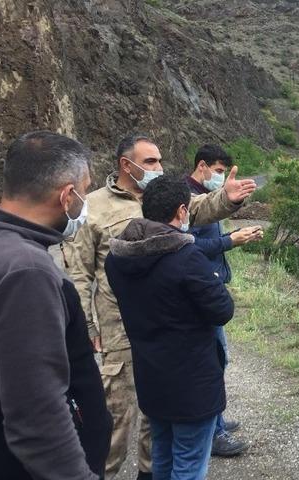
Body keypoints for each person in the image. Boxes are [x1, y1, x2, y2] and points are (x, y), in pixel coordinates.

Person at [63, 134, 256, 480]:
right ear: (126, 164)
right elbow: (78, 273)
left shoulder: (160, 198)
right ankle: (99, 472)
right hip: (120, 329)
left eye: (160, 161)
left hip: (164, 330)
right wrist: (88, 327)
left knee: (158, 418)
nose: (159, 168)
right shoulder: (94, 207)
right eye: (150, 161)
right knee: (117, 416)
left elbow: (196, 209)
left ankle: (149, 474)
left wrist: (226, 199)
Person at [0, 131, 112, 479]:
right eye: (85, 191)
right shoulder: (25, 271)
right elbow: (36, 415)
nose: (84, 204)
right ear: (67, 196)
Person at [105, 175, 234, 480]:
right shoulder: (186, 258)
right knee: (189, 464)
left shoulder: (117, 257)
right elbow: (223, 310)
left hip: (152, 378)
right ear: (180, 211)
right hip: (193, 385)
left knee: (162, 456)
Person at [186, 144, 262, 457]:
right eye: (218, 171)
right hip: (199, 292)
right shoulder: (187, 200)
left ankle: (215, 420)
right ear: (201, 166)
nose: (221, 178)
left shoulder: (208, 198)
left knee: (218, 360)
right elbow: (187, 247)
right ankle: (213, 433)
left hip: (211, 287)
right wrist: (232, 240)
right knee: (211, 364)